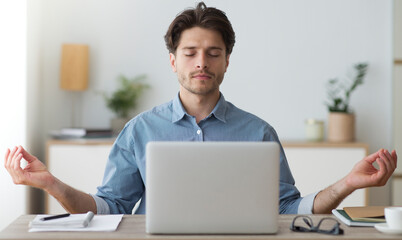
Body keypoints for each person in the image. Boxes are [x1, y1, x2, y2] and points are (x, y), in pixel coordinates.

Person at [4, 2, 397, 215]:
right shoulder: (139, 130)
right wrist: (51, 184)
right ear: (172, 60)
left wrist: (348, 184)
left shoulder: (259, 132)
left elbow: (288, 209)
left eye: (213, 53)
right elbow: (109, 208)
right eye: (190, 53)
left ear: (227, 61)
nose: (201, 63)